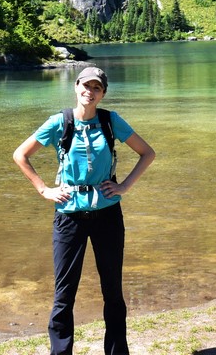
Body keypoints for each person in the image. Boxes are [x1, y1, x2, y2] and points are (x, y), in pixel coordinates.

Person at [13, 66, 155, 355]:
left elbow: (147, 153)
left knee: (113, 292)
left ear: (103, 93)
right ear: (76, 86)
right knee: (64, 294)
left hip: (108, 216)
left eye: (97, 88)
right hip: (69, 217)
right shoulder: (59, 122)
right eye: (85, 86)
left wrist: (124, 186)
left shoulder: (111, 121)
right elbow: (21, 155)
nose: (90, 92)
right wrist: (44, 189)